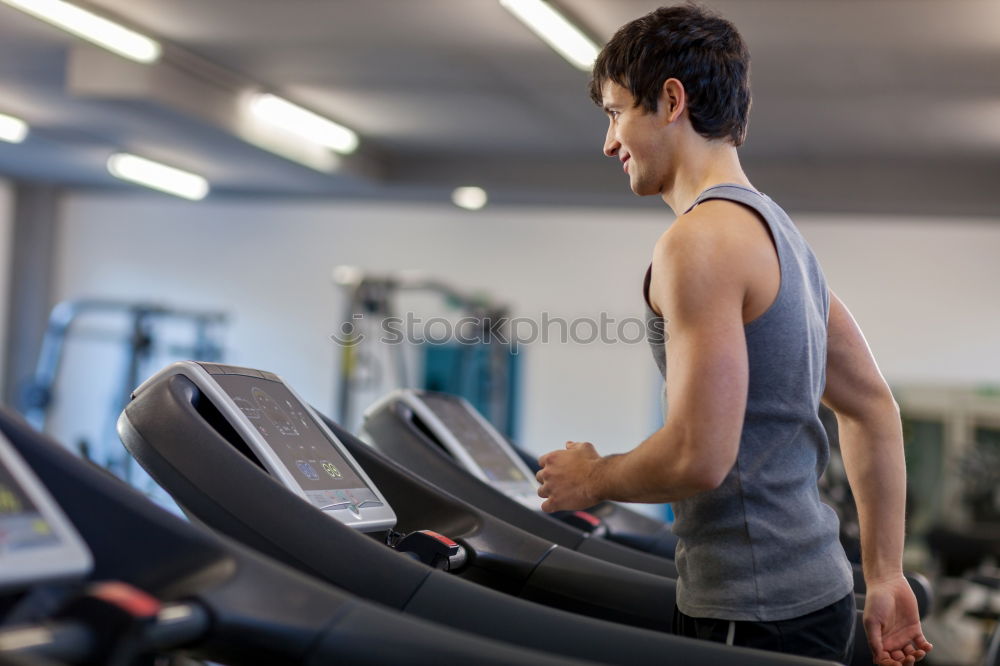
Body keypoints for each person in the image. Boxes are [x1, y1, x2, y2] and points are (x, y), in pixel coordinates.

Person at [534, 5, 933, 665]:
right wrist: (884, 575)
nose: (609, 143)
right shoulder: (779, 235)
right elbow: (872, 408)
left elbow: (699, 454)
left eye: (615, 113)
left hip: (752, 613)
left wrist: (593, 477)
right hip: (819, 591)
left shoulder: (699, 242)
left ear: (670, 101)